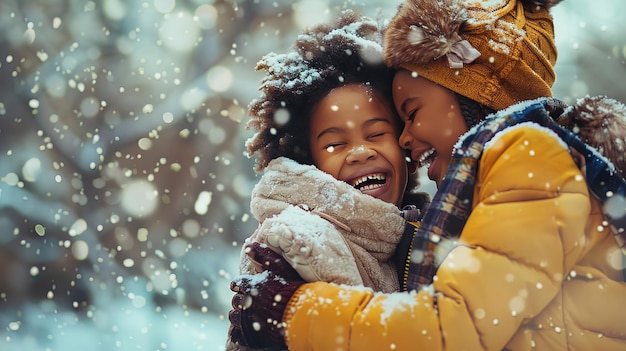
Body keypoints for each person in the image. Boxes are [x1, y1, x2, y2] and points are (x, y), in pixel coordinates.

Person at [228, 0, 626, 350]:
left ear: (472, 97)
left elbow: (447, 331)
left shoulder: (526, 155)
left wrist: (294, 311)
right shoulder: (489, 191)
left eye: (411, 113)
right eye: (335, 143)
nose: (404, 137)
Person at [226, 10, 430, 350]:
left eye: (377, 133)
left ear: (404, 144)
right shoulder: (296, 242)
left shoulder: (417, 234)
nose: (360, 152)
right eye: (335, 144)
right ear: (310, 162)